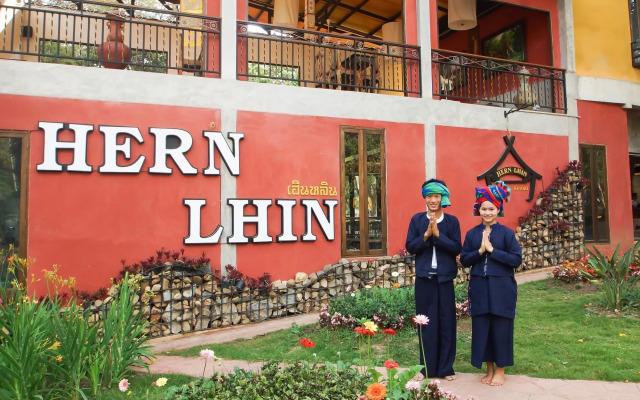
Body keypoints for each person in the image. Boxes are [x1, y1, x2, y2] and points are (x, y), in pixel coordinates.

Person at [460, 181, 522, 386]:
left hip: (502, 289)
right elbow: (465, 260)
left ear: (498, 210)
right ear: (479, 210)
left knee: (501, 329)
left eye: (491, 209)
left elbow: (516, 260)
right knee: (483, 329)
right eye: (484, 209)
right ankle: (488, 369)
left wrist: (492, 250)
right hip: (479, 288)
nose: (487, 213)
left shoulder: (507, 234)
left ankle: (500, 370)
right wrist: (480, 250)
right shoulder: (472, 234)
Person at [405, 179, 461, 381]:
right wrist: (426, 235)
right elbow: (411, 247)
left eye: (436, 196)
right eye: (429, 196)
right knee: (425, 323)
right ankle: (425, 369)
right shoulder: (417, 220)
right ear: (425, 198)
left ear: (442, 197)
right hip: (424, 279)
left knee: (447, 323)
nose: (433, 200)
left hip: (444, 279)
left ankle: (445, 368)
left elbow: (456, 248)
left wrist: (438, 235)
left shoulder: (452, 222)